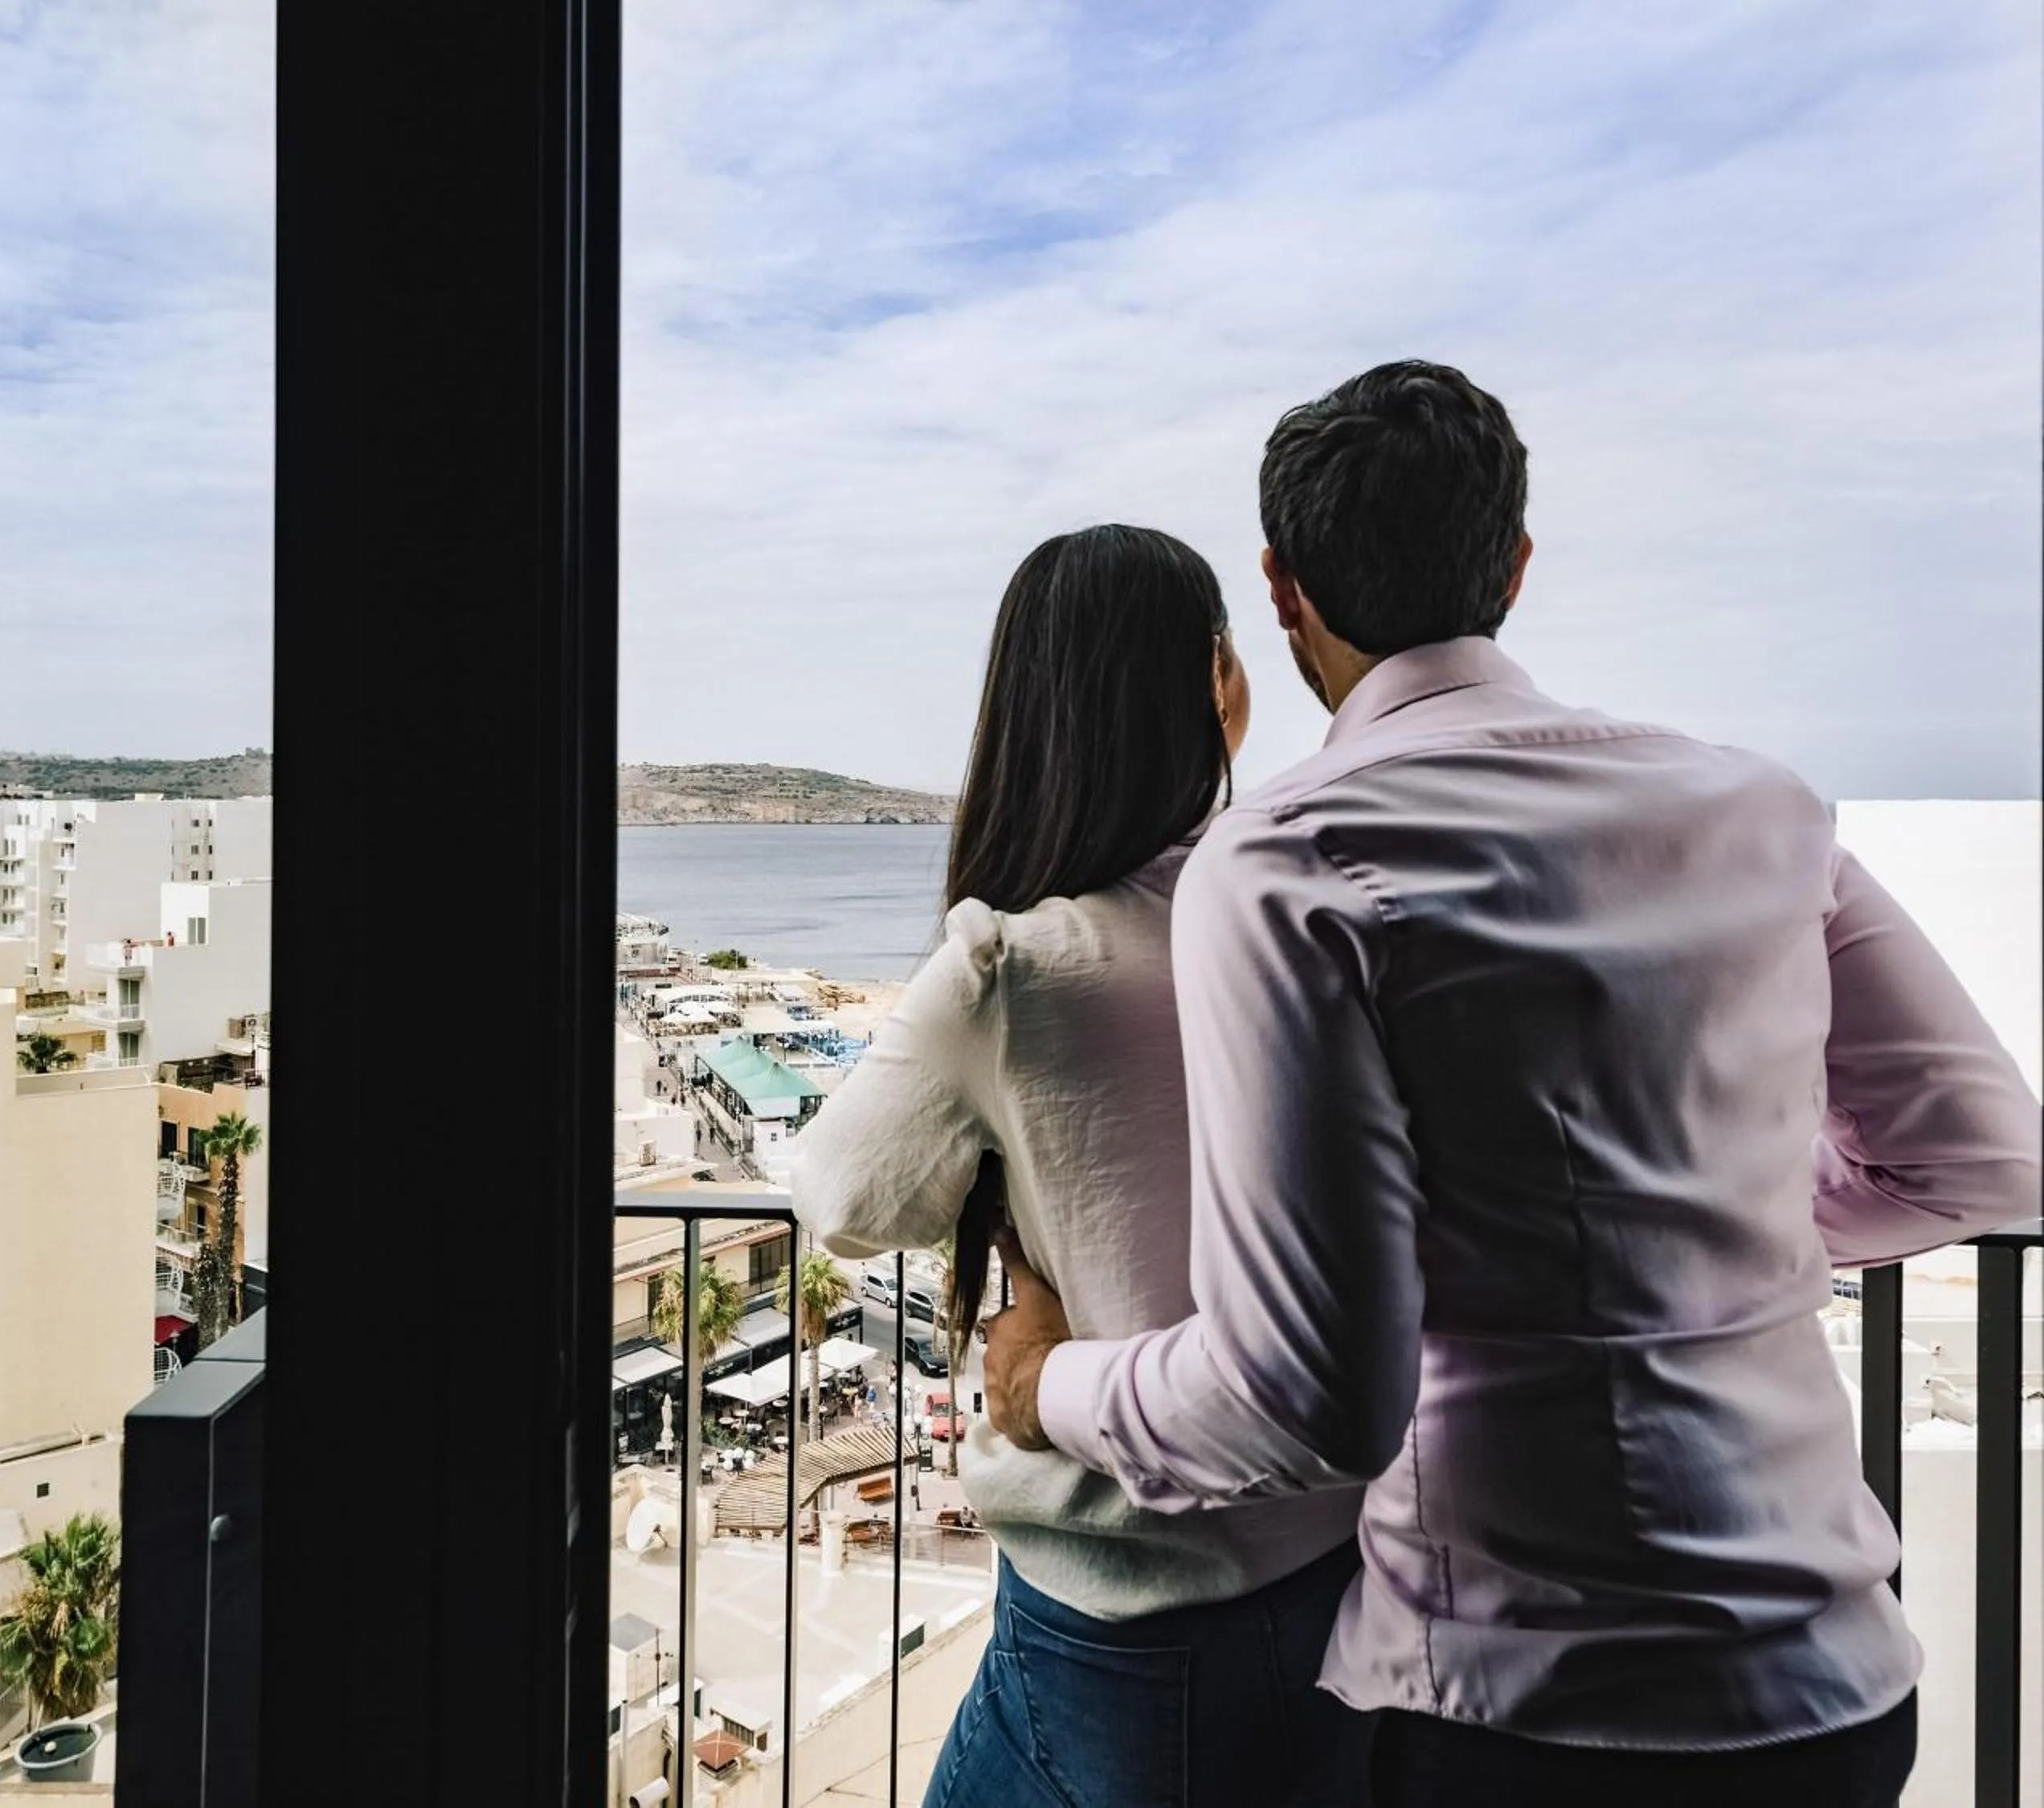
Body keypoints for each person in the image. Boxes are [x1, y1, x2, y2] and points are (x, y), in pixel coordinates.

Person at [981, 362, 2042, 1808]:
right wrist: (1694, 1213)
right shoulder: (1759, 806)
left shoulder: (1289, 860)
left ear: (1285, 590)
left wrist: (1050, 1385)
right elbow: (1984, 1160)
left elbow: (1305, 1397)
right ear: (1516, 566)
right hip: (1830, 1691)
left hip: (1522, 1710)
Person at [793, 525, 1372, 1807]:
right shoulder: (1309, 916)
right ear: (1223, 685)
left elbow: (838, 1194)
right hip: (1340, 1580)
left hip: (1118, 1617)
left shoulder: (1013, 969)